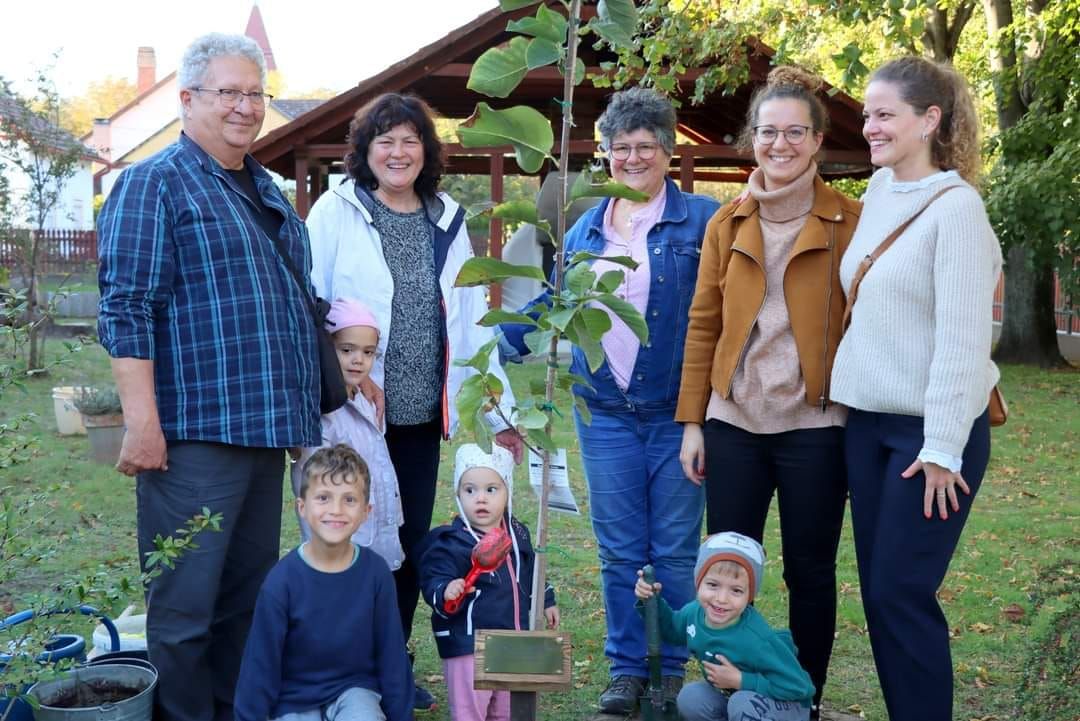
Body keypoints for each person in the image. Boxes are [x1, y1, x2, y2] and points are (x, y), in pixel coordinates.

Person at [97, 33, 320, 721]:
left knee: (244, 603)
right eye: (229, 92)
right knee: (185, 610)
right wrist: (141, 421)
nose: (246, 107)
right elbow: (127, 306)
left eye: (255, 93)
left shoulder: (266, 190)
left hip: (261, 431)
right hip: (192, 436)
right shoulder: (152, 182)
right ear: (187, 98)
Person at [501, 87, 721, 714]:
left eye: (645, 146)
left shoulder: (702, 221)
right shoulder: (586, 227)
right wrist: (500, 340)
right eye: (620, 148)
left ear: (666, 149)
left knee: (675, 548)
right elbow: (555, 301)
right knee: (621, 548)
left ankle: (672, 667)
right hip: (603, 413)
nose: (631, 159)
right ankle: (627, 668)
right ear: (606, 154)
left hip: (679, 414)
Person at [305, 92, 520, 710]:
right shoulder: (335, 211)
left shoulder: (447, 218)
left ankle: (392, 664)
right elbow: (311, 300)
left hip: (423, 414)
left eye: (409, 140)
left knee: (405, 544)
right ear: (364, 152)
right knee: (346, 537)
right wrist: (336, 379)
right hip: (351, 417)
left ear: (425, 151)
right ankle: (343, 671)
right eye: (384, 141)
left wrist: (497, 406)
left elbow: (474, 315)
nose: (398, 152)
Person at [674, 66, 861, 717]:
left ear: (816, 141)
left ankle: (799, 699)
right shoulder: (728, 220)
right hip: (733, 423)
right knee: (724, 574)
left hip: (814, 425)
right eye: (768, 132)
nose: (780, 144)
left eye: (794, 133)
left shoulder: (850, 221)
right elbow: (704, 322)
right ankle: (727, 692)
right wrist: (693, 421)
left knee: (809, 573)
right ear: (753, 138)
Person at [829, 57, 1001, 721]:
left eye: (884, 114)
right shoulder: (876, 194)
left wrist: (941, 447)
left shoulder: (956, 209)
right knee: (879, 593)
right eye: (868, 113)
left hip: (927, 434)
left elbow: (963, 340)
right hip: (867, 428)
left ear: (929, 120)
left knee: (902, 590)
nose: (870, 126)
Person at [234, 445, 413, 721]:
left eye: (349, 500)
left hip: (356, 690)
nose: (336, 510)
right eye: (323, 498)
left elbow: (392, 656)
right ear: (302, 507)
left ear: (366, 511)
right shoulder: (282, 581)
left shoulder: (376, 574)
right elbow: (260, 663)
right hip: (293, 697)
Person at [417, 444, 558, 721]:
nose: (480, 499)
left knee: (508, 710)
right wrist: (446, 589)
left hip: (511, 642)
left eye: (491, 490)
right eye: (470, 490)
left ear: (508, 492)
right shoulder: (450, 543)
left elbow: (531, 570)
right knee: (472, 711)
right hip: (469, 646)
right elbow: (434, 577)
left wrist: (547, 599)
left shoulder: (517, 533)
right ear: (458, 494)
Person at [634, 532, 814, 721]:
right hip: (738, 696)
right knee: (691, 698)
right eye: (712, 585)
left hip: (787, 704)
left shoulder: (758, 639)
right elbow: (671, 629)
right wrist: (651, 602)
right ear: (698, 583)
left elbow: (798, 687)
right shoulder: (694, 613)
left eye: (736, 590)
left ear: (749, 596)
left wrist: (741, 680)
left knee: (742, 704)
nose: (721, 599)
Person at [290, 298, 405, 570]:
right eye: (347, 350)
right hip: (339, 540)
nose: (358, 360)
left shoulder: (365, 400)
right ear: (327, 350)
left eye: (368, 353)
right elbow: (316, 486)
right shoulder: (320, 413)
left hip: (375, 530)